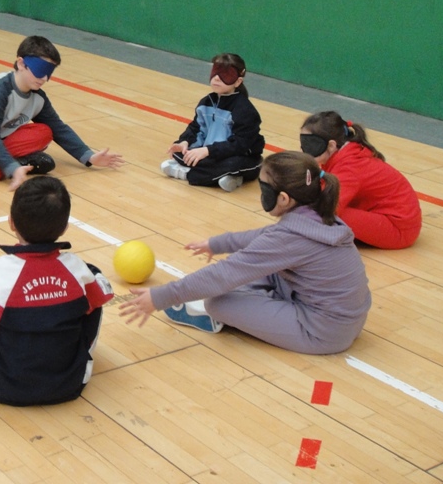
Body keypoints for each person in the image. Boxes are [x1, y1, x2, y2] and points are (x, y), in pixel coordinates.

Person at [120, 151, 371, 355]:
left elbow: (224, 274)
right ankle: (260, 305)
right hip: (347, 317)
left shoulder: (290, 237)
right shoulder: (316, 214)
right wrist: (217, 244)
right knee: (254, 266)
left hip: (321, 331)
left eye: (264, 188)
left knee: (218, 301)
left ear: (283, 199)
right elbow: (262, 239)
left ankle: (211, 317)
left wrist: (162, 296)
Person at [0, 176, 114, 405]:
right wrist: (96, 276)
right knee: (93, 298)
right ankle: (81, 362)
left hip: (4, 386)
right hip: (70, 383)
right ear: (65, 226)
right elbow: (105, 293)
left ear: (11, 222)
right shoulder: (76, 268)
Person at [0, 35, 125, 189]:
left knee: (44, 131)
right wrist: (11, 167)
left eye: (49, 72)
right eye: (39, 69)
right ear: (21, 63)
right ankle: (13, 165)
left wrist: (90, 157)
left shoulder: (37, 98)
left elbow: (58, 128)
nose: (44, 78)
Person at [300, 111, 422, 249]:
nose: (303, 149)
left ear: (331, 146)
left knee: (326, 212)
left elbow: (327, 207)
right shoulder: (343, 156)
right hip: (389, 219)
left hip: (399, 229)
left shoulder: (349, 166)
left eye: (310, 144)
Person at [160, 53, 264, 192]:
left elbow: (240, 145)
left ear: (238, 82)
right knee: (179, 153)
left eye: (225, 74)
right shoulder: (206, 102)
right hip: (212, 154)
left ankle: (186, 173)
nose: (216, 78)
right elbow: (196, 128)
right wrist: (185, 142)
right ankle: (228, 178)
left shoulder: (245, 110)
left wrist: (207, 151)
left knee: (232, 164)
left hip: (239, 156)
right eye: (215, 71)